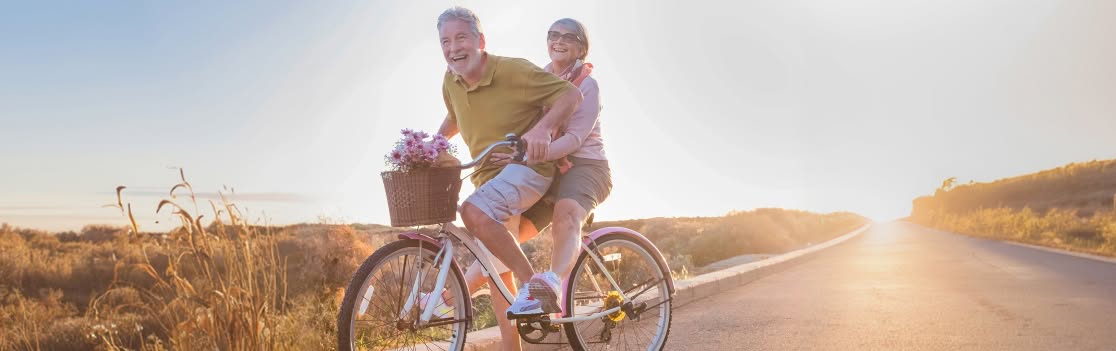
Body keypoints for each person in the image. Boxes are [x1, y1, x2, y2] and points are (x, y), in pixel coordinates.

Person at [445, 16, 611, 350]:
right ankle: (449, 296)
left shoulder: (587, 84)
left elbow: (574, 139)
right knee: (500, 246)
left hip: (584, 166)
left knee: (566, 213)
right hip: (545, 165)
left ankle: (547, 284)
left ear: (581, 47)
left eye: (569, 37)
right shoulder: (541, 75)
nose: (559, 41)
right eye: (553, 35)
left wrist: (527, 155)